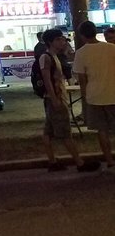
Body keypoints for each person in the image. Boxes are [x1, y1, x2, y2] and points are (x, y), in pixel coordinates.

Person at [40, 28, 99, 173]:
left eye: (62, 39)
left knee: (48, 132)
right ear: (50, 42)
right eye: (58, 39)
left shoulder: (55, 56)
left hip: (55, 98)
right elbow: (47, 80)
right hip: (56, 99)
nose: (62, 42)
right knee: (66, 132)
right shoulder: (46, 57)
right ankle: (79, 163)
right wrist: (55, 99)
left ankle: (53, 162)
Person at [74, 20, 115, 171]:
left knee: (102, 130)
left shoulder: (81, 53)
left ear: (82, 36)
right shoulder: (111, 48)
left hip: (95, 96)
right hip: (113, 93)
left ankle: (109, 160)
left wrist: (85, 96)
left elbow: (82, 79)